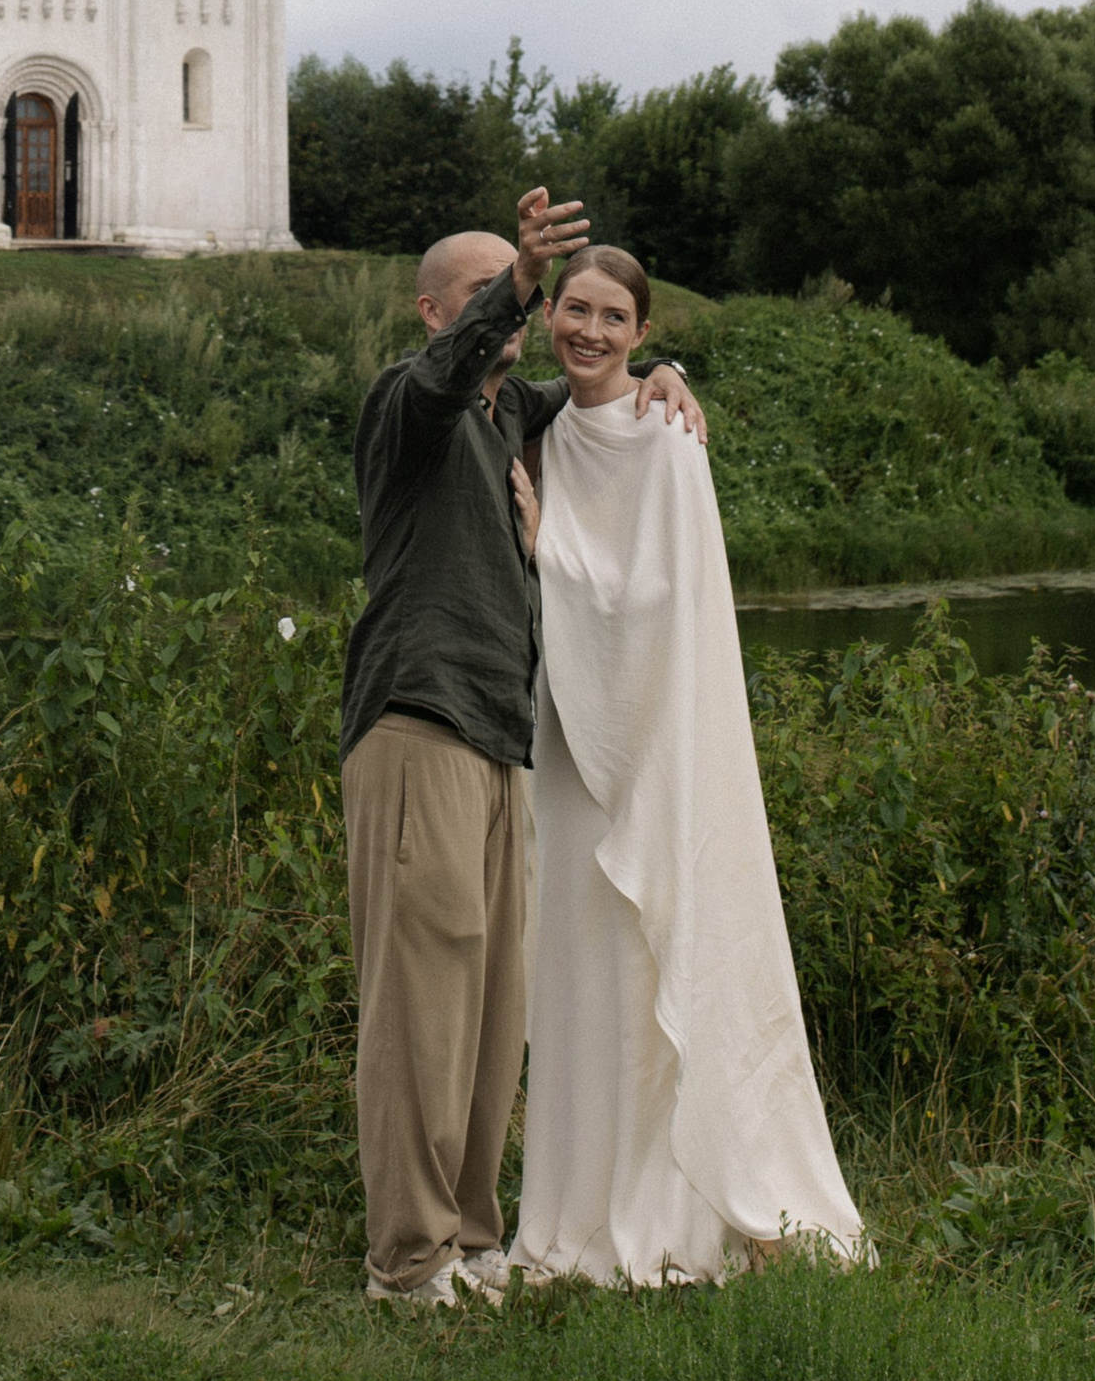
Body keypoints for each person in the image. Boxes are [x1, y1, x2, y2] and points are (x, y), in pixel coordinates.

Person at [341, 190, 706, 1307]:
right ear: (433, 306)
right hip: (418, 721)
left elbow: (598, 378)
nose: (525, 316)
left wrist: (663, 372)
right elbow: (453, 367)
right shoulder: (411, 403)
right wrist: (513, 286)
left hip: (505, 739)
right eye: (500, 295)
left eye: (526, 297)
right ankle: (404, 1262)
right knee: (420, 996)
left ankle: (466, 1237)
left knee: (496, 1002)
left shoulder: (512, 415)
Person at [513, 242, 866, 1287]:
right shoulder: (538, 427)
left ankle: (664, 1207)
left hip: (651, 752)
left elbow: (660, 607)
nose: (589, 330)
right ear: (549, 318)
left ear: (644, 333)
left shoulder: (669, 439)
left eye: (612, 317)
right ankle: (574, 1209)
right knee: (575, 968)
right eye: (574, 308)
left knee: (642, 958)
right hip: (568, 754)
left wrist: (550, 555)